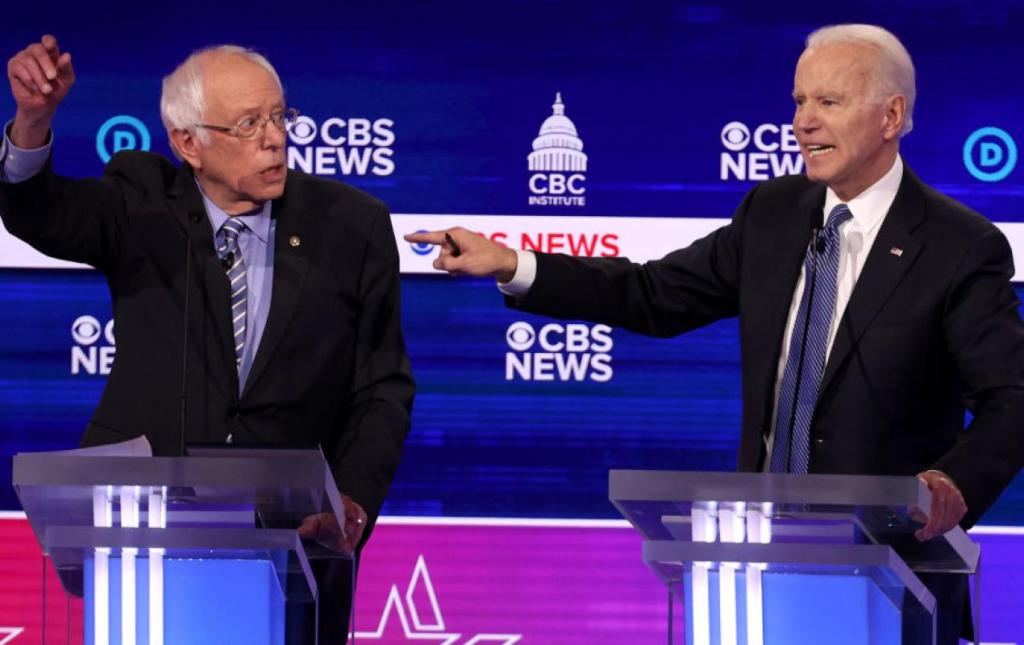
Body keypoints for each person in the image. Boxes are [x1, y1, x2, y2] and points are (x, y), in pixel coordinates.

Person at [408, 24, 1024, 643]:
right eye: (798, 101)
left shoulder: (958, 247)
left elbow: (1012, 398)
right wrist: (516, 264)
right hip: (757, 570)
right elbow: (652, 294)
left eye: (827, 103)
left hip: (894, 582)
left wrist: (951, 485)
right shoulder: (774, 214)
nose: (803, 122)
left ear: (891, 116)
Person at [1, 36, 415, 642]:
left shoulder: (351, 225)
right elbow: (40, 213)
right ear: (187, 143)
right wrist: (34, 121)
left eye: (279, 117)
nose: (274, 138)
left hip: (296, 541)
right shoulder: (141, 202)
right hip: (143, 535)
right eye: (248, 124)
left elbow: (382, 386)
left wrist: (350, 500)